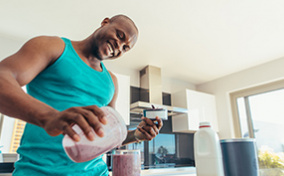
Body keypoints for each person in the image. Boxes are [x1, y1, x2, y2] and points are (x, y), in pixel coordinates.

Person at [0, 14, 163, 176]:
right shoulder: (54, 47)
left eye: (125, 48)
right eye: (120, 36)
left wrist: (135, 135)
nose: (119, 46)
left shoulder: (111, 81)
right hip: (38, 171)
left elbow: (106, 136)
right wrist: (48, 117)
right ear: (105, 22)